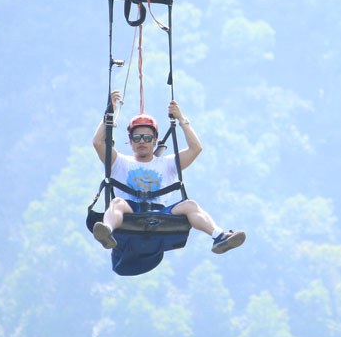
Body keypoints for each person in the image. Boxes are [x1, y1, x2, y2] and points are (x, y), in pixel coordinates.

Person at [91, 90, 245, 255]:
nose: (142, 141)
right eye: (136, 138)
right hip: (130, 211)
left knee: (190, 205)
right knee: (117, 203)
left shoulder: (167, 164)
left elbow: (196, 148)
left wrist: (181, 119)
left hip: (160, 213)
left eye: (147, 137)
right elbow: (98, 142)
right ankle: (106, 231)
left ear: (155, 140)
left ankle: (219, 236)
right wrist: (109, 115)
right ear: (130, 141)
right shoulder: (119, 162)